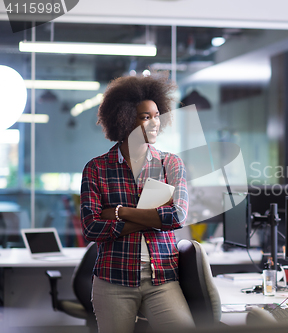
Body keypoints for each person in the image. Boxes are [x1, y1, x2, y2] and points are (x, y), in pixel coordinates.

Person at [80, 73, 195, 333]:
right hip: (113, 280)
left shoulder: (171, 164)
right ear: (124, 118)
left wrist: (120, 213)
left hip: (163, 277)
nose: (155, 123)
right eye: (146, 117)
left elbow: (177, 217)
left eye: (157, 115)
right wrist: (153, 219)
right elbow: (91, 228)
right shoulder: (97, 168)